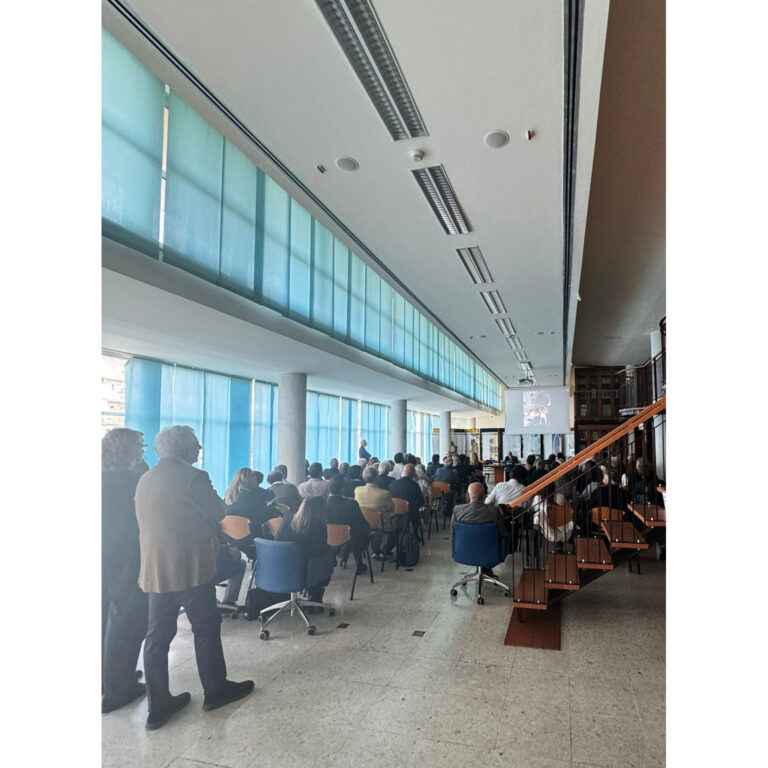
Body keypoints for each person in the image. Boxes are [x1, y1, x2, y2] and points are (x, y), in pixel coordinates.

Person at [135, 426, 253, 730]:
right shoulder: (193, 477)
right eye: (196, 444)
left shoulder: (145, 477)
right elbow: (218, 510)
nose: (200, 447)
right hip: (189, 567)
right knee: (205, 628)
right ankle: (216, 690)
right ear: (186, 449)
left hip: (155, 567)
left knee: (157, 638)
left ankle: (158, 705)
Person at [102, 428, 149, 714]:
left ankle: (109, 678)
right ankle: (119, 689)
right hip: (125, 556)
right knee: (125, 621)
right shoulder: (131, 481)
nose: (143, 451)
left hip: (101, 554)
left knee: (103, 617)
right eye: (140, 447)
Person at [276, 496, 332, 606]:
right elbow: (321, 550)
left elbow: (277, 540)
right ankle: (315, 597)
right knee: (326, 558)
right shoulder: (318, 526)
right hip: (304, 569)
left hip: (280, 566)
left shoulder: (287, 519)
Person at [326, 474, 370, 574]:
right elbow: (362, 524)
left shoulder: (322, 504)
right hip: (350, 540)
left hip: (326, 539)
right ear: (342, 489)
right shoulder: (352, 504)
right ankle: (359, 563)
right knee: (357, 531)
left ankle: (332, 557)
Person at [224, 468, 277, 537]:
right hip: (251, 536)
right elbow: (271, 495)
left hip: (229, 536)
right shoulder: (252, 493)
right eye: (253, 476)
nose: (255, 478)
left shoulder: (228, 495)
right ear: (246, 479)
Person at [354, 471, 396, 556]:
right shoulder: (384, 493)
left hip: (362, 524)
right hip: (381, 524)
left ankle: (376, 549)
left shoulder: (357, 490)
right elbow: (391, 508)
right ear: (377, 478)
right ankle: (385, 550)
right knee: (397, 524)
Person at [388, 463, 424, 534]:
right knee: (415, 512)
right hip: (410, 511)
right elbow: (421, 501)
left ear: (403, 472)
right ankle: (414, 535)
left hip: (394, 510)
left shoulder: (393, 483)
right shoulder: (415, 485)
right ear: (413, 474)